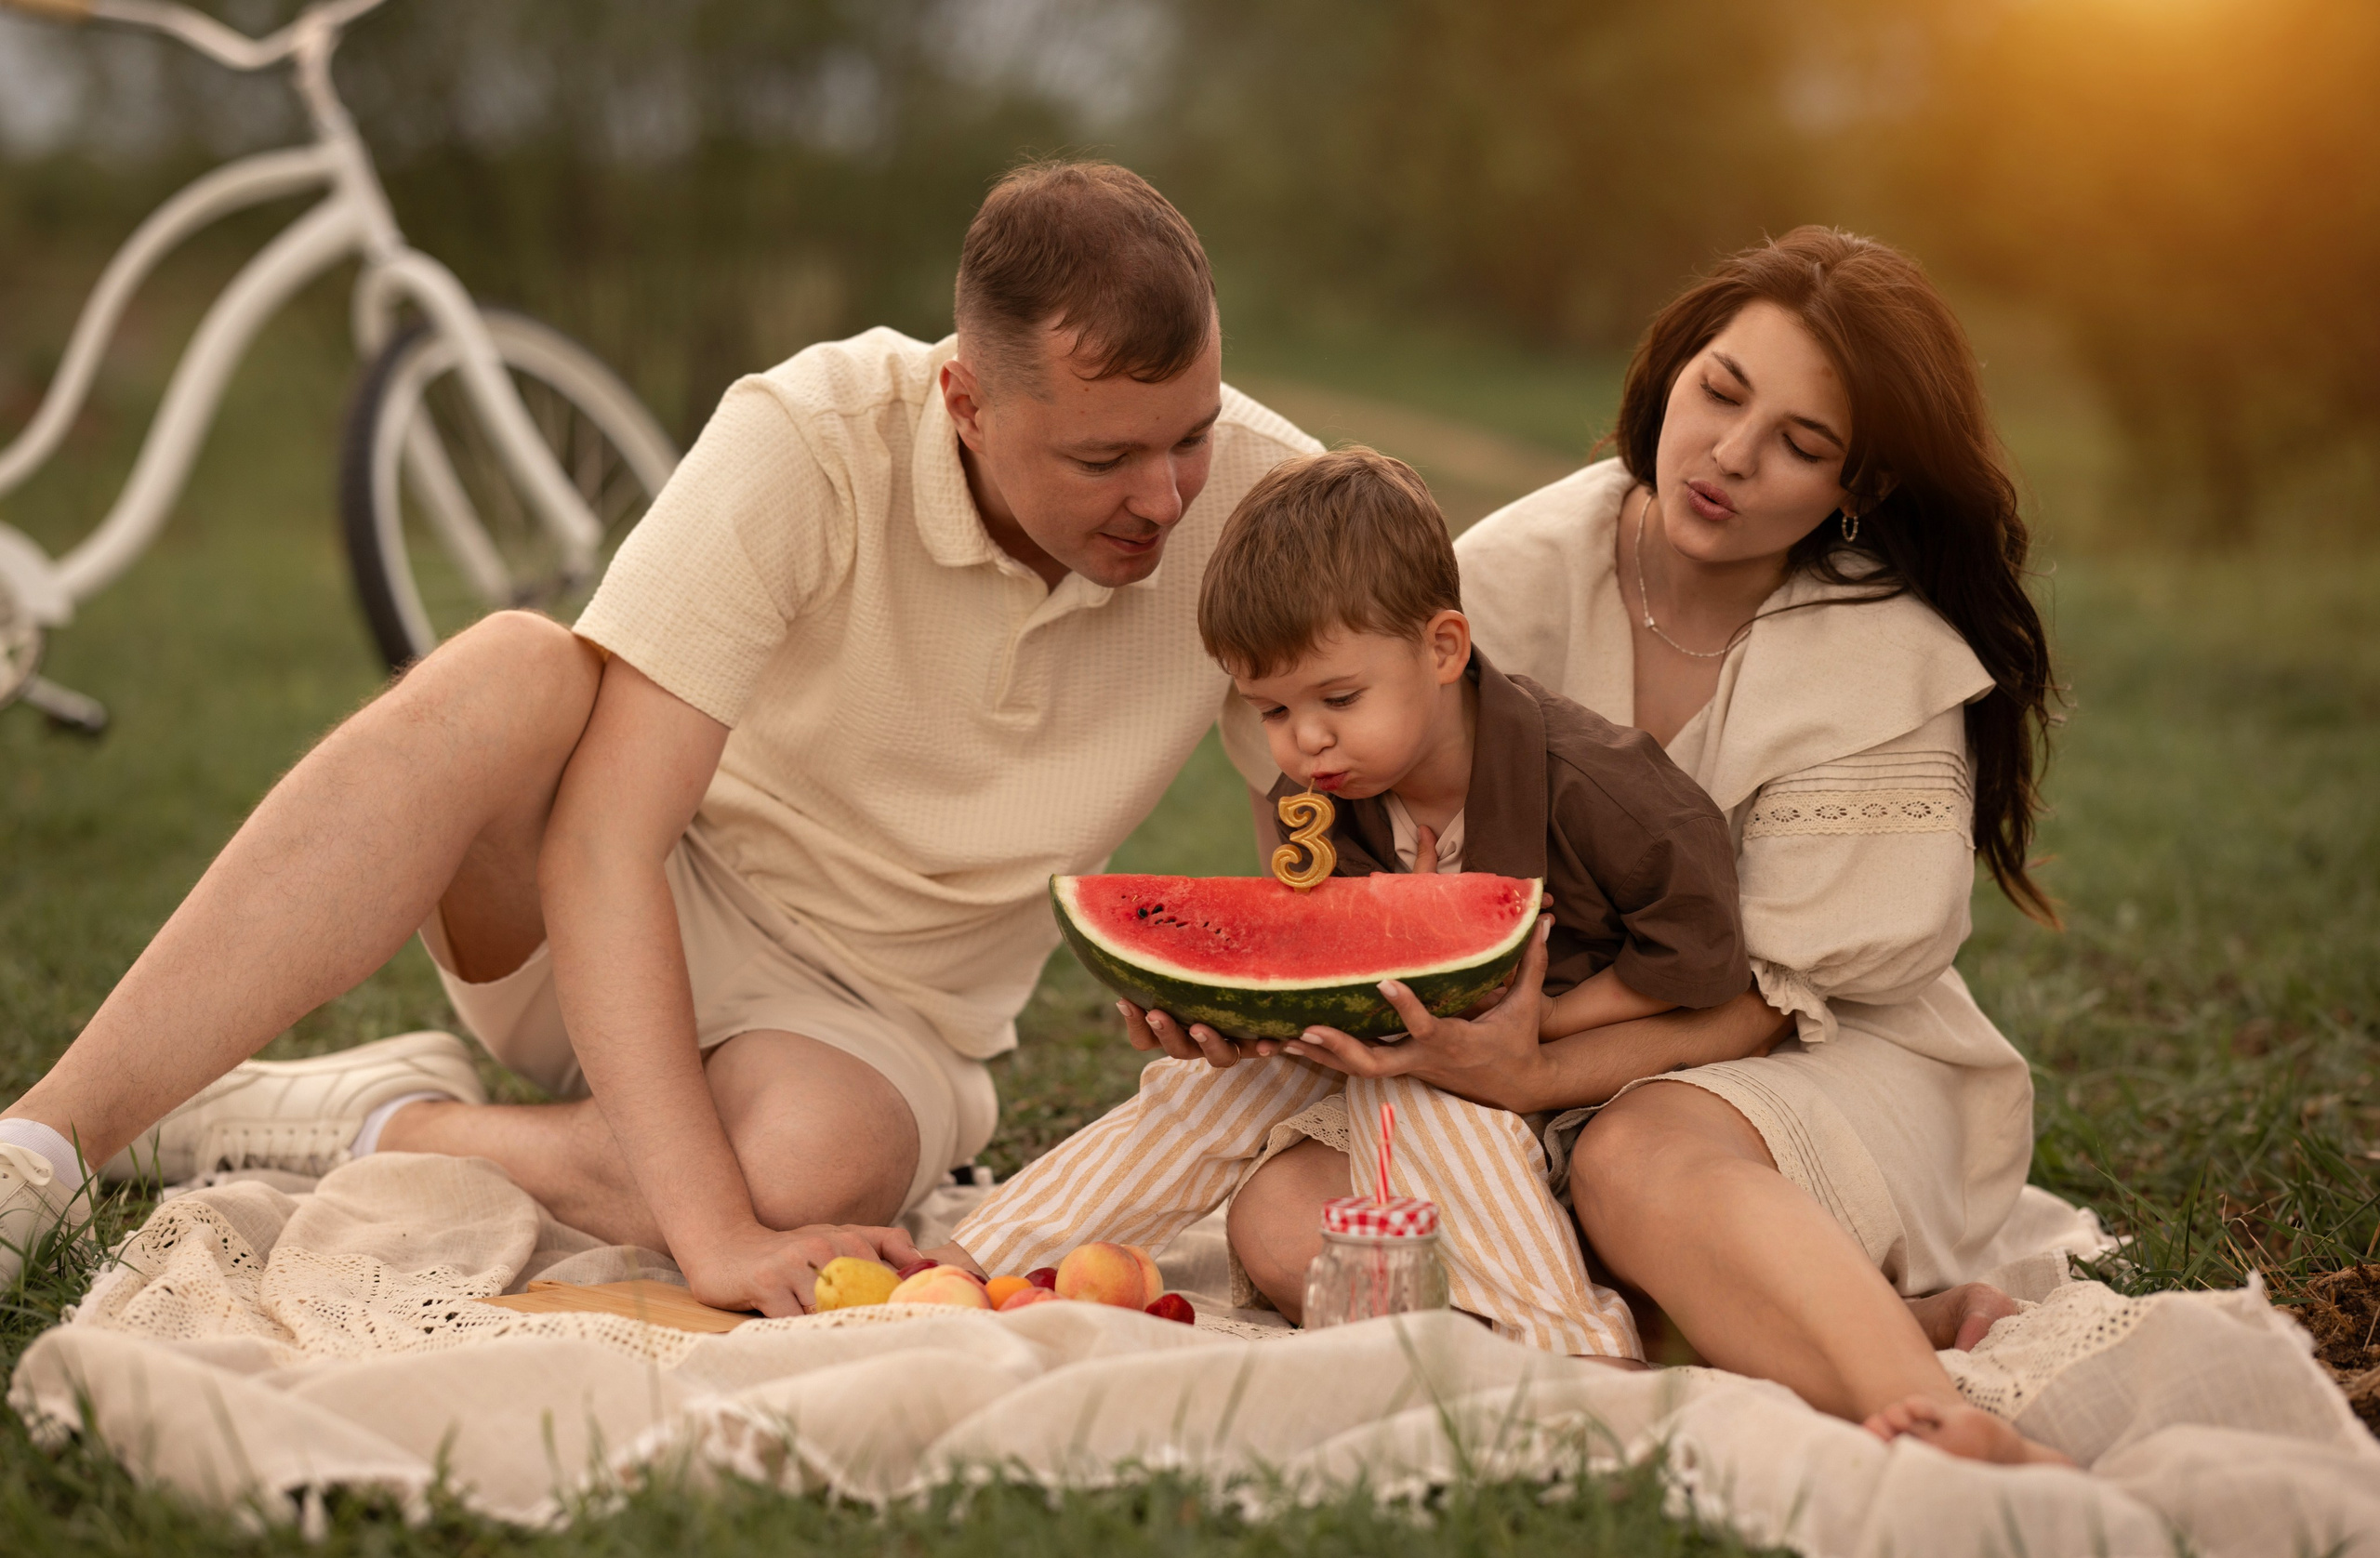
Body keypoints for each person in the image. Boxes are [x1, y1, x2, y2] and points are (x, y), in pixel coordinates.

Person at [0, 161, 1319, 1316]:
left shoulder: (1267, 504)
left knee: (802, 1170)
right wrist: (713, 1238)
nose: (1164, 496)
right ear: (966, 399)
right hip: (621, 904)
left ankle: (376, 1120)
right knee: (515, 663)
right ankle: (41, 1145)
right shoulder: (806, 439)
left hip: (881, 1023)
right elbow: (604, 839)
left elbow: (1322, 824)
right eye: (1105, 461)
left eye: (1191, 437)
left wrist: (1280, 981)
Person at [1208, 228, 2071, 1464]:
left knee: (1634, 1150)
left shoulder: (1882, 660)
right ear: (1673, 371)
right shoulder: (1500, 579)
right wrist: (1282, 978)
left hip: (1818, 1049)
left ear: (1858, 488)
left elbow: (1768, 1002)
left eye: (1801, 443)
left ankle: (1934, 1415)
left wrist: (1532, 1068)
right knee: (1295, 1216)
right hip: (1506, 1038)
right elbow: (1312, 788)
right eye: (1722, 392)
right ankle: (1672, 1329)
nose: (1730, 455)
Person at [937, 446, 1749, 1354]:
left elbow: (1702, 960)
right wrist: (1223, 1013)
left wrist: (1536, 1027)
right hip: (1385, 1048)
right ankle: (966, 1270)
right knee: (1200, 1089)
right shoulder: (1320, 798)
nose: (1306, 741)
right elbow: (1335, 969)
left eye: (1337, 696)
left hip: (1561, 1094)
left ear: (1442, 648)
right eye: (1271, 711)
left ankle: (1572, 1347)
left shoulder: (1602, 786)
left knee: (1437, 1105)